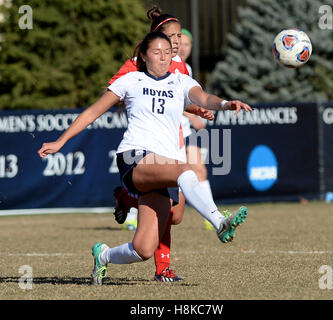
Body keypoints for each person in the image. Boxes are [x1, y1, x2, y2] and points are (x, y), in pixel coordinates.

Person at [37, 31, 252, 285]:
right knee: (186, 169)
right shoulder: (131, 81)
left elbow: (204, 98)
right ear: (143, 55)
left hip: (163, 167)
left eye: (167, 52)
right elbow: (93, 112)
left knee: (143, 249)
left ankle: (103, 255)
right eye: (156, 52)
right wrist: (61, 141)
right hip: (134, 157)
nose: (163, 57)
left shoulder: (181, 81)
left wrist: (226, 104)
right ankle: (219, 222)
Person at [109, 6, 213, 282]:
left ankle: (127, 198)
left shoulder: (184, 67)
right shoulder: (139, 64)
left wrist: (196, 110)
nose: (177, 41)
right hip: (149, 146)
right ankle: (163, 268)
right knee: (172, 201)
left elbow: (182, 99)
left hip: (174, 141)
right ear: (157, 41)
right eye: (171, 36)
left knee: (176, 216)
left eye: (179, 36)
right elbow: (121, 90)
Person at [178, 28, 217, 230]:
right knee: (157, 179)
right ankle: (131, 212)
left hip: (185, 131)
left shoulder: (188, 69)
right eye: (180, 42)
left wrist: (195, 114)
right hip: (167, 132)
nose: (183, 48)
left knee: (199, 169)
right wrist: (192, 115)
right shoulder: (166, 67)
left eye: (187, 44)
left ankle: (212, 215)